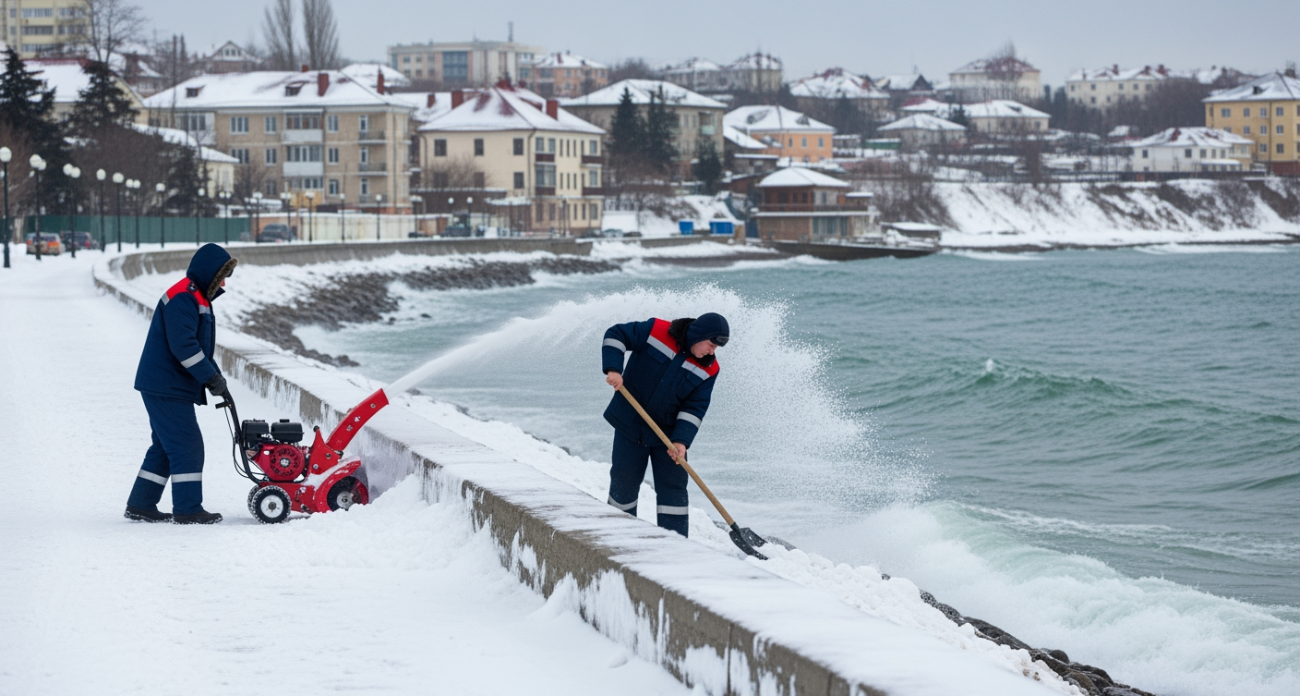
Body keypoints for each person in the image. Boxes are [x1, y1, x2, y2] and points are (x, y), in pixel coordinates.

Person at [124, 243, 237, 525]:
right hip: (166, 385)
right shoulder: (183, 298)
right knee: (187, 445)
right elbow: (184, 347)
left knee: (165, 446)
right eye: (222, 276)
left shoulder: (195, 296)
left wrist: (214, 375)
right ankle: (188, 509)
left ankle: (141, 503)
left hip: (165, 383)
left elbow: (198, 346)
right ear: (209, 273)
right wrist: (211, 378)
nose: (224, 283)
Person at [601, 313, 729, 537]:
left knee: (674, 490)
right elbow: (616, 334)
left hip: (667, 437)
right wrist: (613, 368)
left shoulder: (709, 369)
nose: (712, 352)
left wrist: (681, 441)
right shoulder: (656, 331)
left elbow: (694, 407)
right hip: (630, 425)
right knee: (624, 481)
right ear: (699, 335)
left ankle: (675, 544)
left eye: (715, 348)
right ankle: (618, 535)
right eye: (710, 345)